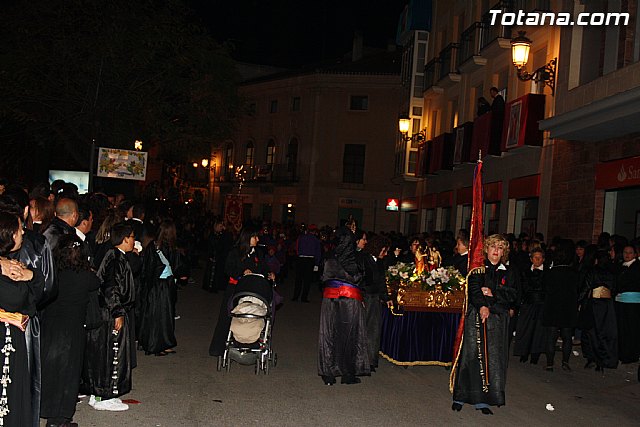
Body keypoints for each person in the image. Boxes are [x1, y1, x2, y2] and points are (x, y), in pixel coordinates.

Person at [451, 234, 518, 415]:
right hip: (477, 317)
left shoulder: (509, 271)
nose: (496, 251)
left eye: (500, 248)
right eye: (493, 247)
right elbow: (474, 290)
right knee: (471, 356)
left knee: (493, 360)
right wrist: (482, 305)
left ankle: (484, 400)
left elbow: (514, 296)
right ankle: (461, 396)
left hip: (497, 320)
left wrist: (494, 293)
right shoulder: (477, 269)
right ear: (487, 249)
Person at [40, 235, 100, 427]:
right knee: (69, 374)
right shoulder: (85, 276)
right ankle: (59, 419)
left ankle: (45, 411)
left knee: (49, 370)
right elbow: (97, 283)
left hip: (50, 327)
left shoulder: (52, 272)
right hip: (73, 330)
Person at [81, 222, 136, 412]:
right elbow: (110, 288)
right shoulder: (115, 259)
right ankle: (105, 396)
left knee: (102, 353)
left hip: (108, 311)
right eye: (132, 237)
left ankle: (98, 395)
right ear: (125, 239)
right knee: (112, 352)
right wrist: (117, 312)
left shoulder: (115, 256)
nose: (134, 241)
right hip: (111, 312)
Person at [0, 211, 44, 426]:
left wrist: (31, 275)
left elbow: (34, 300)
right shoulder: (5, 268)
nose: (23, 232)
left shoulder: (12, 263)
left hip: (13, 338)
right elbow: (18, 300)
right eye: (18, 229)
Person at [318, 226, 369, 386]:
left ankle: (328, 373)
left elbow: (322, 277)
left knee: (329, 334)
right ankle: (347, 373)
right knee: (349, 335)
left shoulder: (328, 256)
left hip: (330, 300)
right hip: (350, 300)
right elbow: (362, 278)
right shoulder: (356, 258)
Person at [209, 228, 272, 357]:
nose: (258, 240)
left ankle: (251, 342)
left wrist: (269, 274)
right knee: (227, 316)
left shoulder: (258, 253)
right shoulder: (235, 252)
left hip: (254, 290)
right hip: (236, 288)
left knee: (254, 315)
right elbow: (228, 269)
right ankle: (219, 347)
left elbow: (264, 268)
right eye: (255, 237)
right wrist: (241, 272)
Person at [138, 223, 177, 356]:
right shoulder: (164, 247)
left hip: (159, 284)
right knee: (161, 316)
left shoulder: (155, 246)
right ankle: (157, 345)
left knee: (160, 315)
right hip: (161, 285)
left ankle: (160, 343)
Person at [542, 239, 580, 372]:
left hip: (552, 306)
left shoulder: (551, 273)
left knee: (551, 336)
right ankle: (565, 361)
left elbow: (545, 290)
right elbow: (578, 291)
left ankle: (550, 363)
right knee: (567, 335)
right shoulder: (574, 273)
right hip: (568, 307)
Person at [580, 250, 618, 371]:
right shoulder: (612, 271)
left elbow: (586, 288)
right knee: (605, 332)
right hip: (607, 305)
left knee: (592, 332)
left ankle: (594, 358)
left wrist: (579, 301)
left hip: (595, 304)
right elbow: (615, 288)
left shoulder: (593, 271)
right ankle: (604, 359)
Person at [360, 234, 392, 372]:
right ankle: (360, 360)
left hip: (375, 299)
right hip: (365, 297)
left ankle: (371, 360)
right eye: (384, 250)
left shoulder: (379, 262)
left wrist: (386, 298)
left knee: (374, 330)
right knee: (363, 329)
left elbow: (381, 282)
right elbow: (361, 280)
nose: (385, 254)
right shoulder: (363, 259)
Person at [513, 248, 548, 364]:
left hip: (541, 305)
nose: (537, 260)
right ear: (531, 259)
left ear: (543, 259)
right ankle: (524, 353)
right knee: (525, 329)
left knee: (539, 331)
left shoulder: (547, 273)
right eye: (535, 257)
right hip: (528, 304)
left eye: (539, 258)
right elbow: (522, 288)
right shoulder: (525, 271)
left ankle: (535, 355)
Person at [615, 245, 640, 364]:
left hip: (633, 303)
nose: (627, 254)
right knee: (622, 328)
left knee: (632, 329)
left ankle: (631, 354)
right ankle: (623, 353)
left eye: (630, 252)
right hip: (621, 301)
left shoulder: (637, 267)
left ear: (635, 254)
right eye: (625, 252)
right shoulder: (620, 266)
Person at [292, 224, 321, 302]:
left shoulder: (301, 237)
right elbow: (318, 252)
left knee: (298, 280)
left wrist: (298, 256)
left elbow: (296, 248)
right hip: (310, 260)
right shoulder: (316, 240)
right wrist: (316, 264)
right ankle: (303, 298)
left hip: (301, 259)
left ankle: (295, 296)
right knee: (307, 281)